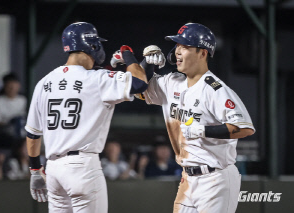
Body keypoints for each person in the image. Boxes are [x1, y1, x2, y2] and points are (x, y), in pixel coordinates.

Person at [25, 22, 147, 213]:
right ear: (92, 46)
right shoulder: (97, 78)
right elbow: (139, 83)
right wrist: (127, 54)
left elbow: (33, 133)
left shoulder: (44, 82)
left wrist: (34, 170)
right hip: (82, 167)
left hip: (53, 169)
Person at [138, 23, 255, 213]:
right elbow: (139, 90)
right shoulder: (171, 82)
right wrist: (147, 64)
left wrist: (203, 130)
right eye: (177, 46)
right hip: (187, 177)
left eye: (184, 47)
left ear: (202, 53)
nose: (177, 52)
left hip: (216, 178)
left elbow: (244, 128)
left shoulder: (215, 89)